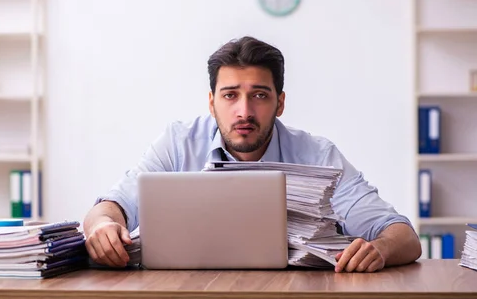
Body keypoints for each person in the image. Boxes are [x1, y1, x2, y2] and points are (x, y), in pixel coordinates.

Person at [84, 36, 422, 273]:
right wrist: (103, 225)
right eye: (230, 95)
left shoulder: (318, 154)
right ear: (212, 103)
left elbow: (403, 236)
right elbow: (112, 206)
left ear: (280, 102)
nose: (244, 111)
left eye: (259, 95)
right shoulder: (178, 142)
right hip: (187, 298)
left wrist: (379, 249)